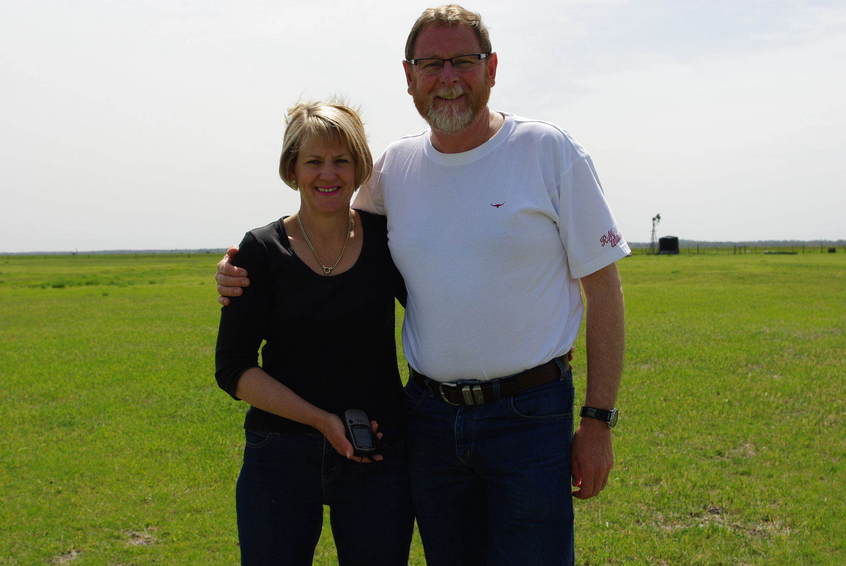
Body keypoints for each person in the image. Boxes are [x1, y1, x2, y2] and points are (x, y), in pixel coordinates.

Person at [218, 5, 628, 566]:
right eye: (431, 64)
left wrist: (597, 421)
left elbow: (604, 290)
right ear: (408, 76)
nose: (448, 79)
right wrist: (244, 265)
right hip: (430, 421)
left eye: (464, 61)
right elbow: (328, 221)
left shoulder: (548, 152)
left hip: (529, 418)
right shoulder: (396, 168)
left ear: (492, 68)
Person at [215, 101, 412, 566]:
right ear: (292, 168)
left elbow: (444, 306)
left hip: (376, 449)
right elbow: (233, 368)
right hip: (279, 453)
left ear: (359, 166)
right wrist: (321, 420)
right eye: (314, 161)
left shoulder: (389, 239)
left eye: (342, 160)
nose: (329, 173)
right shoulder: (259, 250)